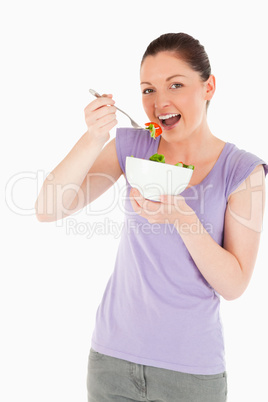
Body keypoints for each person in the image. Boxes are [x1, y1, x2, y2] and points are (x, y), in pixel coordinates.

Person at [35, 33, 267, 402]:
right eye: (148, 90)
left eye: (176, 84)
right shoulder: (133, 146)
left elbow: (235, 285)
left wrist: (182, 218)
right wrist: (94, 137)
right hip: (111, 362)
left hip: (190, 376)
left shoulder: (242, 170)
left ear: (209, 87)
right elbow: (48, 209)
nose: (160, 102)